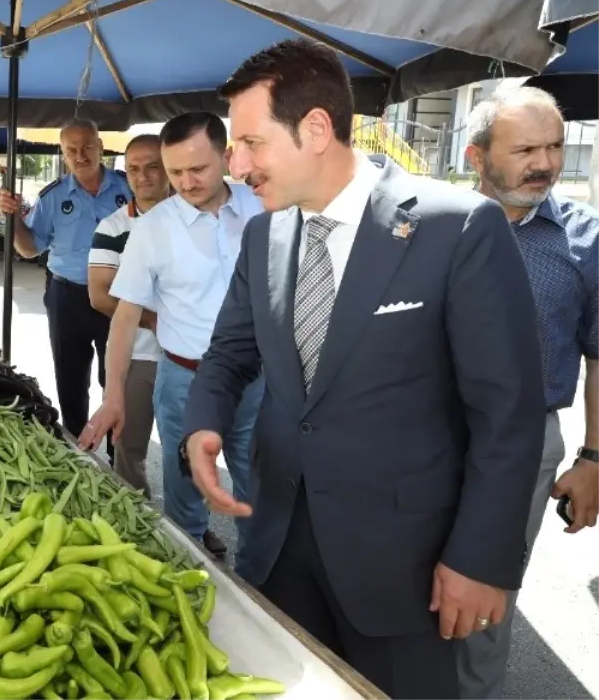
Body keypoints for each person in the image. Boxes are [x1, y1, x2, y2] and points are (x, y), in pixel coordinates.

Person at [181, 39, 545, 699]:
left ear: (316, 128)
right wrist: (202, 425)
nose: (235, 166)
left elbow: (507, 414)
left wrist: (480, 558)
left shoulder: (458, 228)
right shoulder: (263, 235)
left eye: (250, 143)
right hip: (279, 547)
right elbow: (231, 353)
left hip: (405, 570)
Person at [456, 87, 599, 699]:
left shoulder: (586, 241)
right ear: (477, 157)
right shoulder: (429, 225)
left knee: (488, 591)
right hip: (421, 430)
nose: (544, 163)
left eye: (554, 147)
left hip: (524, 444)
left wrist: (593, 458)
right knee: (400, 577)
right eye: (525, 149)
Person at [81, 116, 265, 560]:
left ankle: (261, 583)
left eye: (197, 170)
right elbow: (124, 318)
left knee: (259, 486)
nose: (186, 182)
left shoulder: (263, 206)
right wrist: (114, 395)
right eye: (176, 171)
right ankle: (192, 568)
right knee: (186, 489)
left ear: (225, 157)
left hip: (259, 382)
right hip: (184, 380)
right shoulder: (152, 229)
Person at [0, 119, 132, 441]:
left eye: (87, 146)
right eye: (72, 149)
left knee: (116, 379)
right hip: (66, 298)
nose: (80, 155)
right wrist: (11, 218)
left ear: (101, 147)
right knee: (70, 379)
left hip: (119, 297)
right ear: (63, 153)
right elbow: (29, 249)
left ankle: (117, 453)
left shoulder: (129, 187)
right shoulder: (53, 197)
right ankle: (77, 449)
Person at [78, 134, 169, 497]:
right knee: (129, 447)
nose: (142, 176)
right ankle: (137, 516)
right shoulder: (112, 227)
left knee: (192, 447)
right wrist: (155, 322)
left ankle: (194, 527)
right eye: (133, 169)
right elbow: (100, 295)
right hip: (139, 355)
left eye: (152, 167)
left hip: (191, 358)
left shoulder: (196, 218)